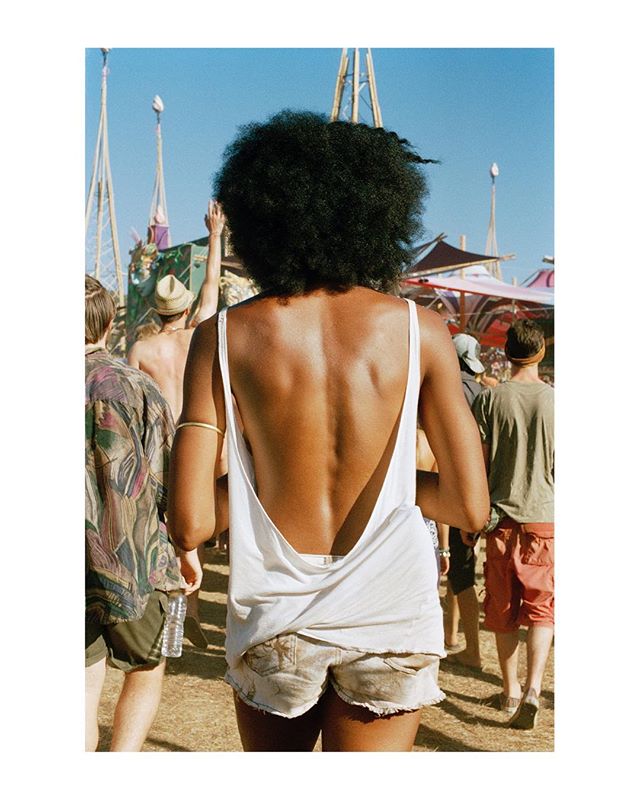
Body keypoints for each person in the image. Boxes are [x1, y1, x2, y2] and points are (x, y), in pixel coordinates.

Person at [168, 111, 489, 752]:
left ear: (260, 219)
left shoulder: (223, 337)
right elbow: (471, 507)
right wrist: (398, 483)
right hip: (390, 614)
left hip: (274, 621)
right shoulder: (420, 332)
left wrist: (263, 494)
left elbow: (191, 523)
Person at [85, 276, 201, 751]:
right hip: (130, 560)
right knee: (148, 666)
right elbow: (169, 481)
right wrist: (186, 548)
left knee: (79, 683)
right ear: (110, 323)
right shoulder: (137, 386)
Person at [128, 200, 227, 649]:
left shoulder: (142, 350)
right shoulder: (198, 335)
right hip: (196, 439)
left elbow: (130, 403)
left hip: (155, 444)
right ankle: (193, 606)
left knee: (157, 526)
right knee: (193, 525)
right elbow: (211, 289)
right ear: (184, 310)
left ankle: (162, 608)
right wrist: (215, 235)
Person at [462, 319, 554, 729]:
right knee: (542, 610)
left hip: (499, 518)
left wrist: (470, 516)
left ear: (508, 353)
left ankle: (510, 690)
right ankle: (535, 689)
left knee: (502, 611)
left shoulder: (489, 400)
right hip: (544, 517)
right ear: (540, 354)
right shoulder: (557, 402)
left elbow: (478, 464)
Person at [445, 333, 485, 669]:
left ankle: (471, 648)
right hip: (474, 490)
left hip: (445, 486)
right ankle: (452, 635)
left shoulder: (443, 386)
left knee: (459, 572)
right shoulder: (483, 392)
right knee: (459, 569)